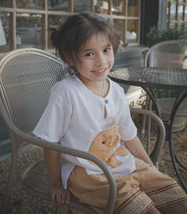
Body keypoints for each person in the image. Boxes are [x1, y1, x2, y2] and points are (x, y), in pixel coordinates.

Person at [33, 12, 187, 214]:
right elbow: (49, 141)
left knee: (177, 197)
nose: (101, 61)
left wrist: (150, 168)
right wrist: (55, 183)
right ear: (71, 57)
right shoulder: (66, 92)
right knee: (143, 209)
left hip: (119, 160)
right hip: (86, 173)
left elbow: (129, 136)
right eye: (89, 54)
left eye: (106, 50)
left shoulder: (114, 90)